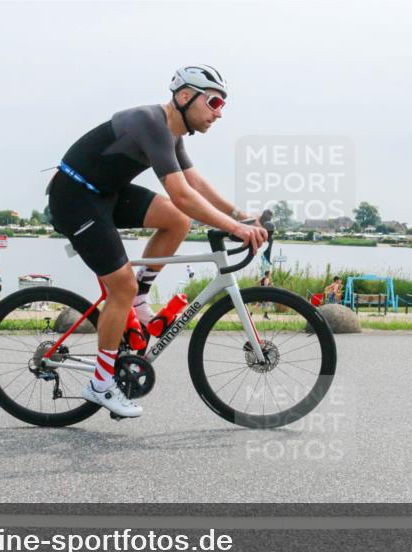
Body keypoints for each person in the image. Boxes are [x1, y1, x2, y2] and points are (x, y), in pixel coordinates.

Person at [46, 65, 267, 419]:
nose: (219, 113)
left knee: (176, 221)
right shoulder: (150, 122)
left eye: (223, 105)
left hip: (106, 194)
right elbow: (180, 193)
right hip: (75, 198)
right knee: (120, 285)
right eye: (213, 102)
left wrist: (241, 215)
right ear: (184, 96)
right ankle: (101, 384)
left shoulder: (172, 134)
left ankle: (139, 300)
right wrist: (237, 229)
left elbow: (195, 184)